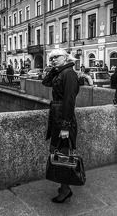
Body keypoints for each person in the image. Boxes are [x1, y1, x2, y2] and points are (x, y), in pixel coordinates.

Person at [42, 49, 79, 203]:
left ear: (65, 57)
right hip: (57, 116)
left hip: (64, 119)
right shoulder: (60, 72)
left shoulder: (69, 74)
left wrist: (65, 126)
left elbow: (69, 101)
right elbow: (45, 82)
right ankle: (65, 187)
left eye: (56, 57)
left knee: (63, 154)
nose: (53, 60)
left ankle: (65, 190)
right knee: (59, 152)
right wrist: (53, 68)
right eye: (51, 58)